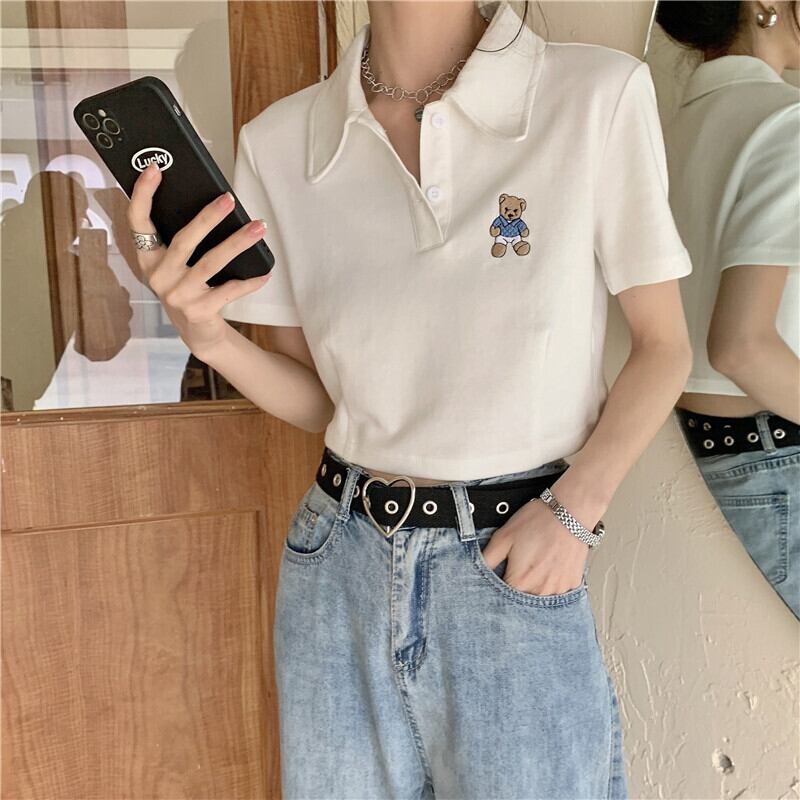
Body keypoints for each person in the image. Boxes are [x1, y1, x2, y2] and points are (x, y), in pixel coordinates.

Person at [126, 1, 693, 795]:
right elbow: (325, 404)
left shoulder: (594, 95)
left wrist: (574, 514)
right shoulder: (280, 144)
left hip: (511, 563)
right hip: (338, 567)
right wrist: (209, 338)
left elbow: (665, 348)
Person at [657, 1, 800, 617]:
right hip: (778, 455)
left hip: (712, 452)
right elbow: (742, 346)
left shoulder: (667, 132)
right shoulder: (787, 123)